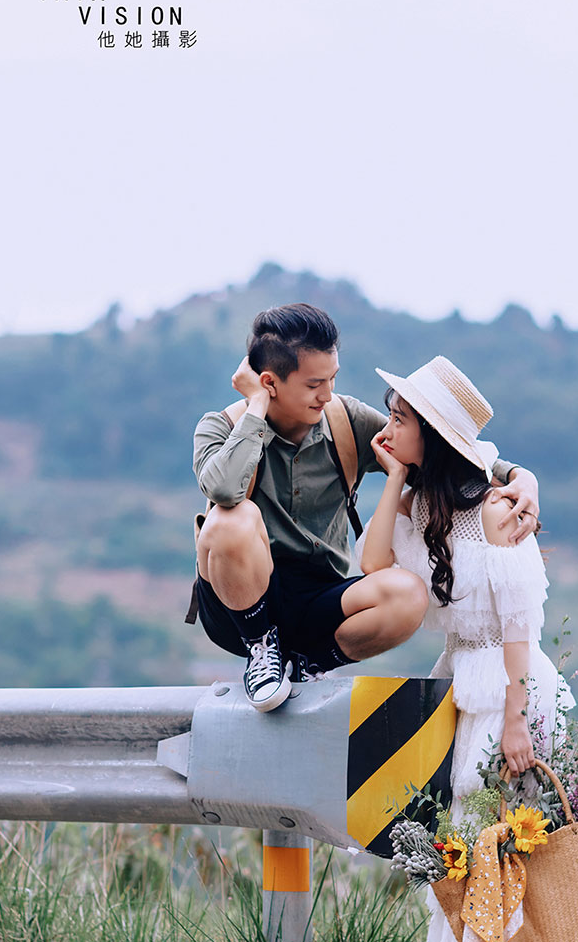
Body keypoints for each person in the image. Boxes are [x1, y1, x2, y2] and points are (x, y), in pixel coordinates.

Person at [356, 354, 573, 942]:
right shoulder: (421, 507)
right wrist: (395, 477)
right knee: (462, 835)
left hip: (510, 685)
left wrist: (516, 721)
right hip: (462, 681)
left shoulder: (498, 510)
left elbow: (520, 627)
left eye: (400, 419)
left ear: (433, 433)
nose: (388, 428)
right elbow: (372, 563)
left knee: (499, 837)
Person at [192, 304, 543, 710]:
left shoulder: (345, 420)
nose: (327, 394)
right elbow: (224, 489)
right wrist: (256, 407)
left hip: (320, 598)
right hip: (238, 607)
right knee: (232, 519)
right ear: (269, 382)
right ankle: (261, 651)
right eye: (314, 384)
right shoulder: (219, 427)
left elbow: (435, 447)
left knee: (408, 594)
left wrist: (516, 474)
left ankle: (306, 666)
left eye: (332, 379)